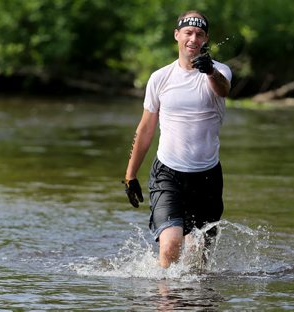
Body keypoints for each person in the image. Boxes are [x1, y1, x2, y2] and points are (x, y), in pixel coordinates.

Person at [123, 11, 232, 269]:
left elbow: (223, 89)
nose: (193, 38)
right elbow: (146, 128)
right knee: (171, 246)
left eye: (199, 34)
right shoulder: (160, 78)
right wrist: (130, 175)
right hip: (167, 174)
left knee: (198, 258)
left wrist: (209, 72)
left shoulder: (219, 72)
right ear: (177, 36)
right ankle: (167, 304)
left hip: (207, 176)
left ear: (205, 39)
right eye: (188, 33)